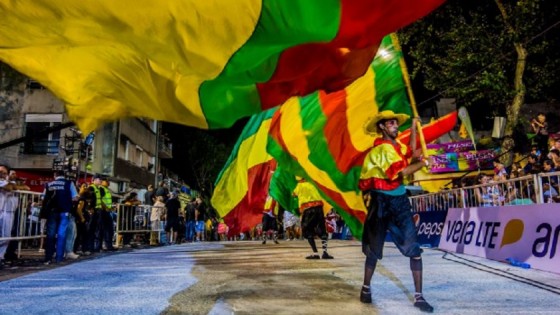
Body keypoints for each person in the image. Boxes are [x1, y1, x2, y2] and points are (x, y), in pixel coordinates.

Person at [359, 111, 433, 312]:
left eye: (395, 123)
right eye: (391, 123)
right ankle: (366, 288)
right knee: (374, 249)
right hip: (381, 202)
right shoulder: (382, 149)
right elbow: (400, 172)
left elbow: (410, 151)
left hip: (399, 200)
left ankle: (419, 296)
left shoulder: (395, 146)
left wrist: (415, 128)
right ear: (382, 127)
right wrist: (424, 163)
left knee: (414, 249)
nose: (395, 126)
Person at [42, 170, 78, 264]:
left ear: (55, 175)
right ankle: (59, 258)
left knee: (50, 235)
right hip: (64, 212)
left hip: (52, 212)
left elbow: (43, 197)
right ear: (64, 176)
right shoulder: (69, 183)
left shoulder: (49, 184)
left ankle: (48, 258)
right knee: (62, 234)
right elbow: (75, 197)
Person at [293, 178, 333, 260]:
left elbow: (293, 194)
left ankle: (315, 253)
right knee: (322, 229)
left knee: (307, 230)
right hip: (319, 208)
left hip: (308, 210)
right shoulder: (314, 182)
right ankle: (325, 252)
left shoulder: (300, 185)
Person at [0, 164, 18, 263]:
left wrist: (11, 184)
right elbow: (10, 187)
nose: (2, 175)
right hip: (4, 212)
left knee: (6, 236)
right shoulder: (3, 182)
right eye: (1, 173)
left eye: (4, 173)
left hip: (2, 211)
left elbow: (18, 187)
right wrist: (10, 184)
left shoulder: (5, 181)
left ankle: (1, 256)